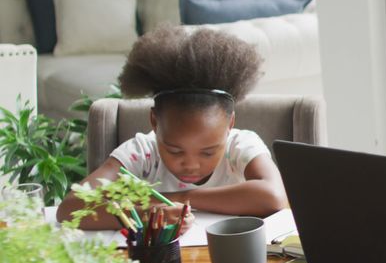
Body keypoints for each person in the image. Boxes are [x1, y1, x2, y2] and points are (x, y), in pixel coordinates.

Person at [58, 27, 288, 231]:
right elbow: (70, 208)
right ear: (154, 122)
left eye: (207, 152)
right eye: (175, 151)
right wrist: (149, 215)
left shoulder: (240, 146)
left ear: (230, 125)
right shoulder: (143, 152)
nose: (190, 164)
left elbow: (273, 196)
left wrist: (181, 198)